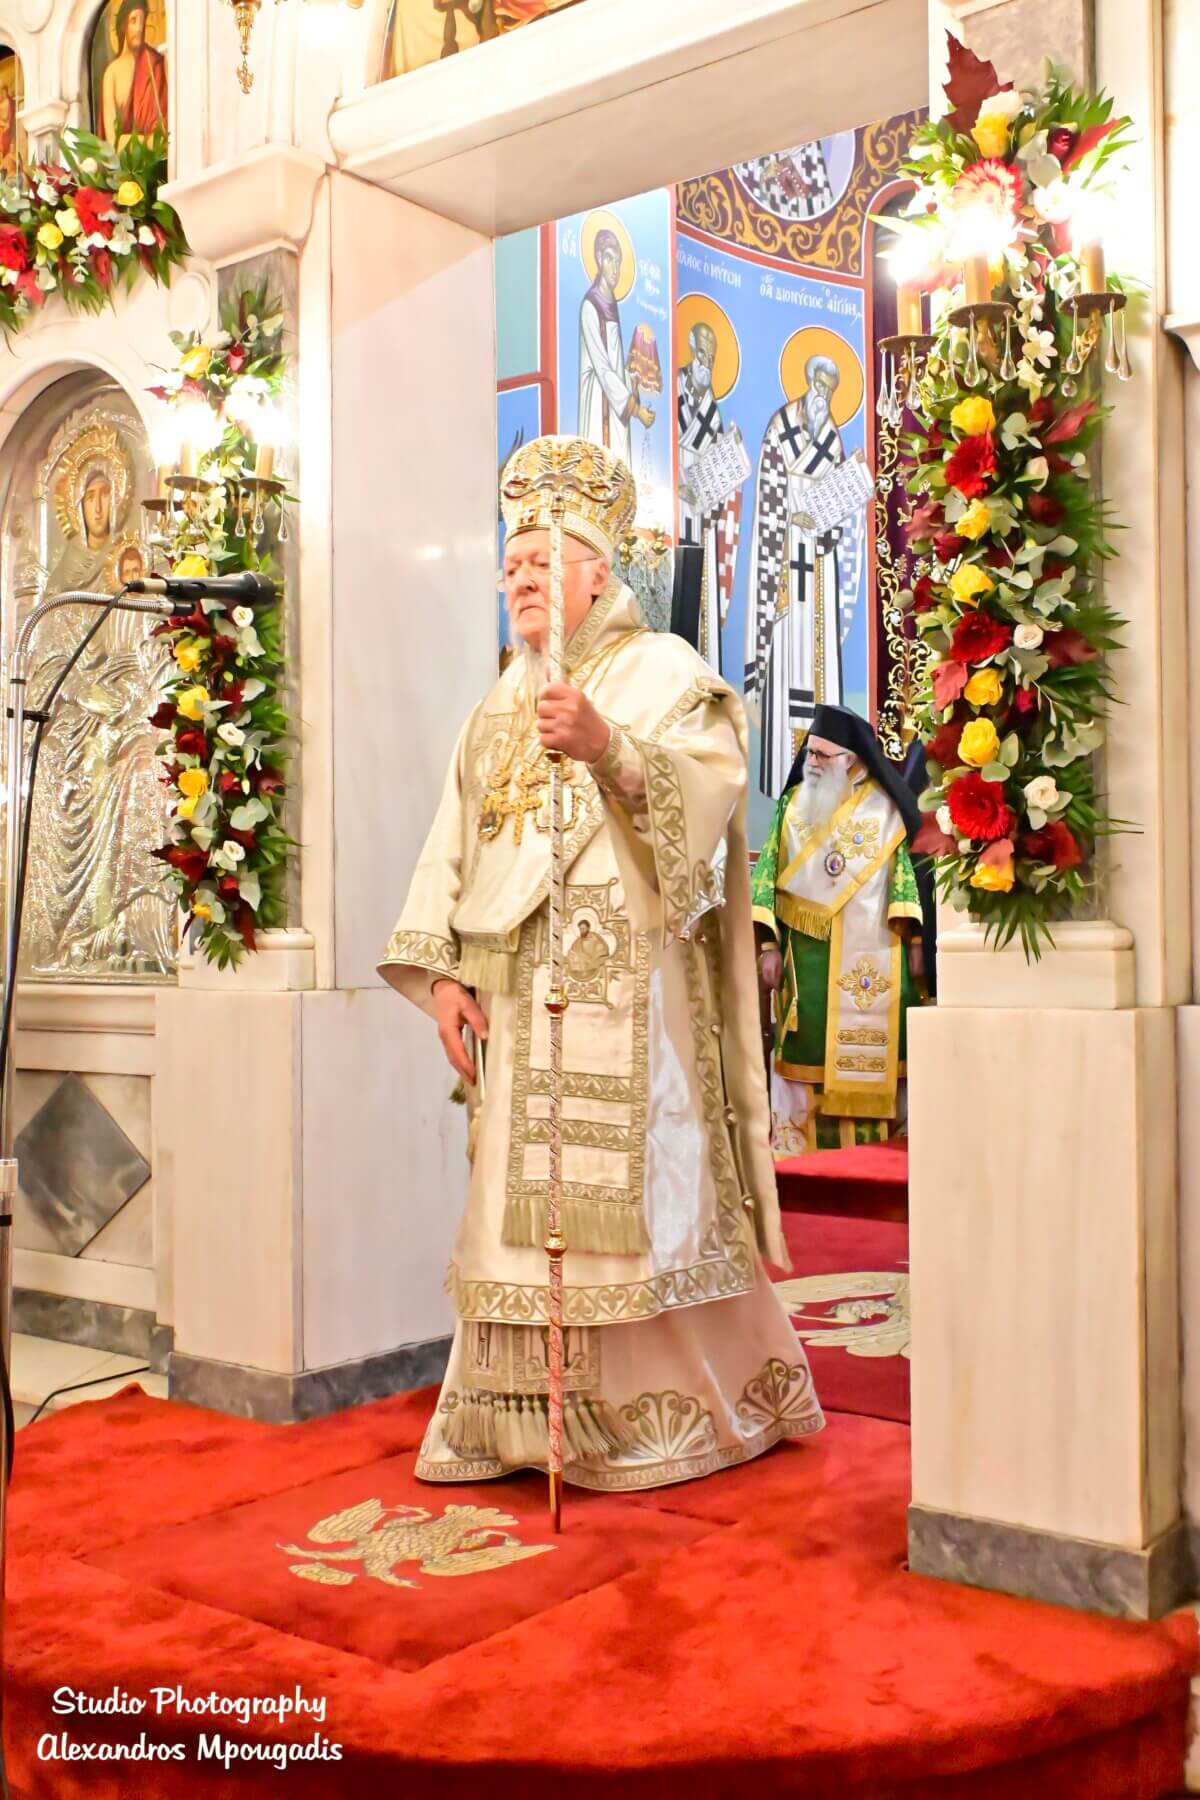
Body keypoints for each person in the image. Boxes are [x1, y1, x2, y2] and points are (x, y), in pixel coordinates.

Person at [380, 433, 822, 1490]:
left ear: (596, 572)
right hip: (518, 999)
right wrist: (442, 976)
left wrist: (608, 746)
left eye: (540, 561)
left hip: (634, 999)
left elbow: (709, 802)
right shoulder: (500, 701)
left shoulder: (665, 671)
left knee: (640, 1207)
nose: (518, 580)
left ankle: (664, 1419)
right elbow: (455, 839)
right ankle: (518, 1424)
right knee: (516, 1215)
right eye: (510, 564)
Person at [752, 704, 924, 1155]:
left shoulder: (885, 811)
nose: (811, 762)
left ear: (852, 760)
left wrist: (916, 942)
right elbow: (766, 877)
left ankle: (879, 1158)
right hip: (805, 962)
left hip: (876, 953)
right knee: (804, 1057)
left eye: (822, 755)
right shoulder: (792, 805)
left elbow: (904, 881)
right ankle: (799, 1158)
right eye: (809, 752)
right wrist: (768, 946)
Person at [745, 355, 850, 798]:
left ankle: (826, 784)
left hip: (819, 567)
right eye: (819, 386)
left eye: (830, 389)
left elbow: (842, 507)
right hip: (788, 563)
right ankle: (781, 776)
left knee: (818, 665)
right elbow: (769, 498)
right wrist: (793, 520)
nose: (823, 395)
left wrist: (824, 525)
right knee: (788, 663)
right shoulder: (781, 427)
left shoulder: (833, 438)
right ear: (808, 382)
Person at [677, 322, 741, 676]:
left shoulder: (711, 407)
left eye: (712, 357)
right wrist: (678, 484)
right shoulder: (671, 392)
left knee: (704, 596)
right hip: (675, 512)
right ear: (691, 347)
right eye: (702, 352)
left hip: (702, 518)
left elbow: (716, 468)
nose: (706, 362)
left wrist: (731, 456)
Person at [578, 229, 654, 466]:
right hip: (599, 403)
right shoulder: (590, 306)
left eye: (618, 261)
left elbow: (614, 362)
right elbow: (602, 367)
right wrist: (636, 411)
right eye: (610, 258)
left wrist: (632, 379)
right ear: (599, 258)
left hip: (616, 404)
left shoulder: (612, 303)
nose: (615, 268)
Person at [100, 0, 168, 147]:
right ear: (123, 25)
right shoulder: (112, 74)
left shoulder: (154, 64)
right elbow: (113, 142)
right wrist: (148, 142)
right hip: (126, 159)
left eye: (142, 22)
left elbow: (166, 131)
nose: (139, 28)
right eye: (133, 20)